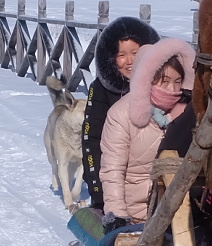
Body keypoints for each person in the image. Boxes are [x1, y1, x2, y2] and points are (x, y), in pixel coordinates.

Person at [99, 38, 197, 226]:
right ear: (146, 80)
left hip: (178, 214)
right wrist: (118, 215)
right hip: (136, 214)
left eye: (178, 82)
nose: (172, 89)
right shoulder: (121, 115)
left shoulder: (186, 115)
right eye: (165, 81)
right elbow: (113, 171)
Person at [80, 15, 157, 210]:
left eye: (136, 53)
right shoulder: (101, 88)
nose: (130, 61)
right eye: (121, 55)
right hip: (113, 179)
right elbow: (91, 139)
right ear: (112, 58)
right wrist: (98, 189)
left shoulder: (162, 85)